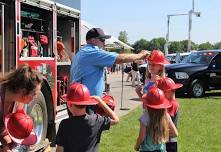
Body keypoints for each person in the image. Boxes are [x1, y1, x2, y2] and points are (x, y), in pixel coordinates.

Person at [70, 27, 150, 114]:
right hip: (87, 103)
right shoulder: (93, 52)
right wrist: (141, 55)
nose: (104, 43)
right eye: (102, 40)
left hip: (79, 101)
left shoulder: (82, 52)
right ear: (93, 40)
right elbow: (121, 58)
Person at [55, 82, 119, 152]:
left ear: (69, 104)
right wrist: (100, 101)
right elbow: (116, 120)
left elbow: (59, 150)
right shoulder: (97, 120)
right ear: (87, 103)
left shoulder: (65, 124)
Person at [0, 64, 43, 152]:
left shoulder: (19, 102)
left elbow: (6, 129)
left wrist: (6, 146)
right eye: (34, 94)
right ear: (23, 92)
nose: (35, 97)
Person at [134, 86, 178, 152]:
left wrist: (136, 146)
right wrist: (162, 134)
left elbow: (141, 137)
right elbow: (175, 133)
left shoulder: (145, 117)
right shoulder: (165, 116)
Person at [157, 77, 183, 152]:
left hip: (169, 141)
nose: (173, 92)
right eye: (171, 90)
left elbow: (167, 121)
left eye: (173, 90)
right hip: (167, 140)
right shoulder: (171, 102)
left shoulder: (171, 104)